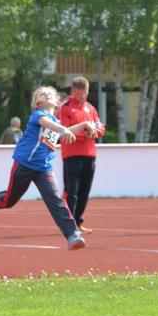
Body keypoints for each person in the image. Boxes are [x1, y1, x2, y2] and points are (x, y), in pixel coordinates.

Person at [0, 86, 97, 250]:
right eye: (42, 93)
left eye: (50, 93)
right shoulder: (38, 115)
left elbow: (59, 132)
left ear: (56, 101)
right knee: (8, 201)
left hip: (44, 168)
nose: (46, 94)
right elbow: (48, 124)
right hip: (25, 164)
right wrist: (64, 129)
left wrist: (84, 124)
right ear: (36, 102)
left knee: (56, 200)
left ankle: (72, 235)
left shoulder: (56, 122)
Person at [59, 76, 105, 234]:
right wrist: (84, 134)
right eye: (80, 93)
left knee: (84, 191)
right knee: (72, 191)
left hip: (89, 154)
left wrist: (96, 132)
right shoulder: (65, 108)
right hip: (72, 155)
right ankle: (68, 223)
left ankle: (78, 222)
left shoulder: (91, 108)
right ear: (74, 91)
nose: (83, 96)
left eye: (85, 93)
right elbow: (63, 132)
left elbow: (100, 127)